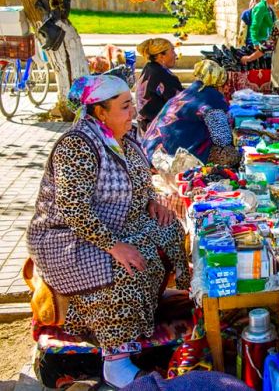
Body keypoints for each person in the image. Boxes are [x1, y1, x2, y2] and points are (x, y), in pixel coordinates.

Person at [27, 75, 190, 388]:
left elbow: (140, 180)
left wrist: (152, 203)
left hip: (114, 224)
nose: (134, 111)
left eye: (132, 104)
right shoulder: (77, 145)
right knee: (123, 267)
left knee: (168, 228)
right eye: (125, 106)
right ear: (100, 113)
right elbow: (73, 209)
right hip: (66, 237)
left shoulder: (123, 138)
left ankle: (152, 311)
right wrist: (115, 246)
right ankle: (116, 360)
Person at [142, 60, 241, 166]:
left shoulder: (188, 92)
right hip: (169, 157)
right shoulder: (211, 98)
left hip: (149, 150)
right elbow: (222, 139)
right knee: (232, 155)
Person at [135, 38, 182, 135]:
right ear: (161, 56)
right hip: (158, 131)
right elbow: (181, 101)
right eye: (172, 51)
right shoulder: (162, 75)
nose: (175, 55)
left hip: (146, 127)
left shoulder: (149, 68)